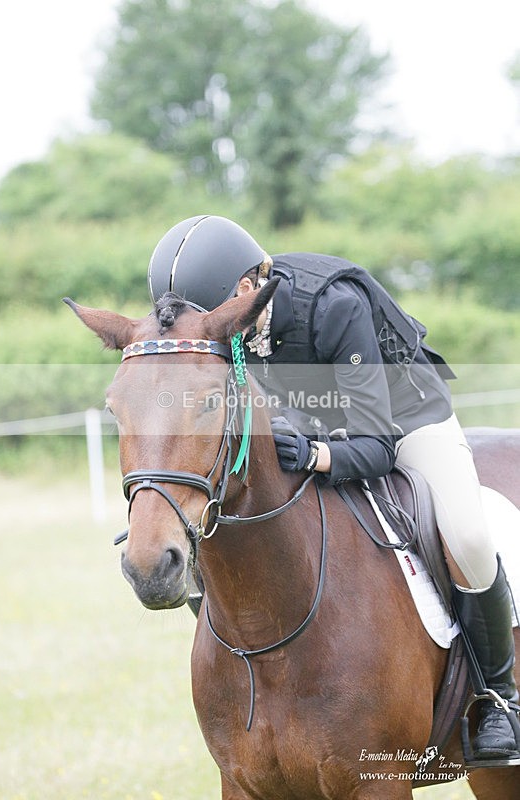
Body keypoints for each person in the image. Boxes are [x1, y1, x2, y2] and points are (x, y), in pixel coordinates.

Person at [147, 214, 519, 762]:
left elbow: (377, 444)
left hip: (401, 418)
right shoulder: (222, 328)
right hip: (305, 424)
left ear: (248, 289)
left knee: (465, 534)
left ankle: (498, 698)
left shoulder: (333, 304)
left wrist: (320, 455)